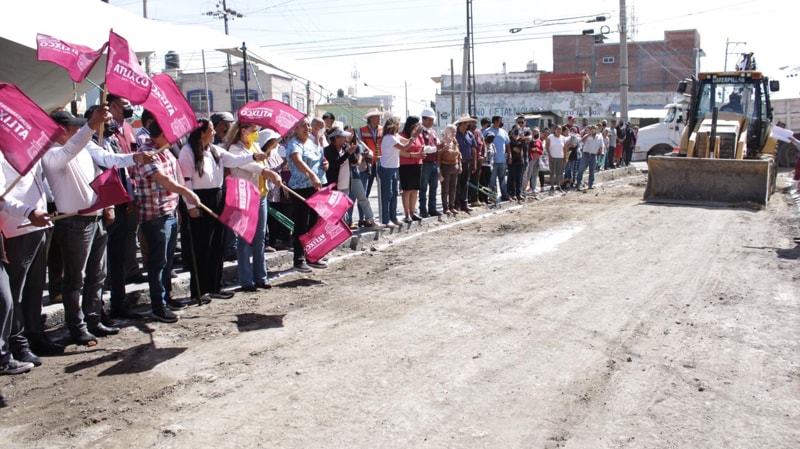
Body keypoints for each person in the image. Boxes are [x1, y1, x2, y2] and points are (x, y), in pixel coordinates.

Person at [42, 108, 153, 344]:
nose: (79, 131)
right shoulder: (51, 154)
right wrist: (90, 126)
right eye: (75, 127)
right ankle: (77, 326)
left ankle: (94, 319)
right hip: (73, 223)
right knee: (75, 279)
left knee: (97, 275)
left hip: (96, 218)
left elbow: (108, 158)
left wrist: (135, 158)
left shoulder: (85, 146)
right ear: (62, 130)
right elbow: (69, 151)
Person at [179, 118, 270, 299]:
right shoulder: (187, 152)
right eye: (211, 130)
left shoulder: (214, 150)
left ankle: (215, 286)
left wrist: (253, 156)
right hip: (198, 199)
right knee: (201, 246)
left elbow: (234, 159)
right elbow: (185, 181)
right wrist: (190, 205)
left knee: (217, 245)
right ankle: (199, 291)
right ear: (201, 132)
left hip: (217, 197)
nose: (214, 132)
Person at [134, 119, 201, 323]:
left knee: (167, 260)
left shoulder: (166, 150)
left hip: (170, 212)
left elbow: (176, 178)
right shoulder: (147, 154)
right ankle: (158, 305)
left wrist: (179, 205)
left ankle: (167, 297)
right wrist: (186, 193)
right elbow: (163, 180)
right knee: (157, 262)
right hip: (155, 214)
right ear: (161, 133)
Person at [0, 152, 58, 366]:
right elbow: (2, 197)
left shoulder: (27, 150)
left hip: (38, 224)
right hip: (17, 228)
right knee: (15, 292)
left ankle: (35, 335)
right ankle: (17, 342)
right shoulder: (3, 154)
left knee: (35, 288)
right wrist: (28, 211)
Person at [226, 121, 282, 292]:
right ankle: (246, 279)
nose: (256, 133)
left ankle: (261, 277)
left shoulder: (255, 146)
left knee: (260, 239)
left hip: (261, 195)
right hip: (244, 197)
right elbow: (254, 167)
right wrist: (269, 172)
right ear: (243, 131)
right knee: (244, 241)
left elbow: (263, 165)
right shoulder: (234, 149)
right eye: (253, 130)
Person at [286, 118, 329, 272]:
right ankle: (298, 258)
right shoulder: (294, 144)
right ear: (296, 128)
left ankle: (312, 255)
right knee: (301, 224)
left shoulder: (311, 142)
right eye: (303, 126)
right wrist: (311, 175)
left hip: (316, 186)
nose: (307, 128)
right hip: (301, 188)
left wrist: (325, 164)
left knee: (314, 223)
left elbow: (319, 159)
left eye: (309, 125)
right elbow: (297, 160)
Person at [379, 116, 420, 227]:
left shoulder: (395, 136)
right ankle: (386, 219)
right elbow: (404, 148)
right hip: (386, 168)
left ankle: (393, 217)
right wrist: (414, 136)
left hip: (393, 168)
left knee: (394, 194)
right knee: (387, 194)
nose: (400, 126)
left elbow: (406, 141)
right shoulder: (389, 138)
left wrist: (412, 137)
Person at [323, 127, 357, 226]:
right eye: (343, 137)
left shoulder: (346, 147)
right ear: (336, 138)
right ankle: (334, 228)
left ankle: (342, 228)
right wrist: (347, 153)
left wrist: (351, 152)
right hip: (334, 184)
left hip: (345, 183)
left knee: (342, 207)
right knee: (333, 208)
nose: (345, 139)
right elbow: (334, 164)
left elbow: (354, 161)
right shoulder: (328, 150)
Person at [398, 116, 425, 223]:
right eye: (417, 124)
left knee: (415, 189)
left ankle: (413, 213)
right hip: (405, 165)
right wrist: (415, 155)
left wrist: (422, 153)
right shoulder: (402, 135)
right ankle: (407, 214)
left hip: (417, 164)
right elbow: (401, 151)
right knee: (407, 190)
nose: (419, 126)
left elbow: (421, 147)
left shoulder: (419, 136)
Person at [418, 108, 441, 218]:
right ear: (423, 119)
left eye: (432, 120)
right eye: (429, 120)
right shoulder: (420, 132)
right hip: (425, 163)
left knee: (434, 187)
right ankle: (423, 209)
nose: (431, 122)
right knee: (423, 188)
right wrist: (436, 148)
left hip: (434, 162)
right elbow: (423, 148)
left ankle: (432, 208)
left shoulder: (433, 132)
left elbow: (437, 145)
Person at [453, 114, 478, 212]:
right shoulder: (455, 134)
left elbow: (473, 149)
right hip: (457, 162)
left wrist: (474, 163)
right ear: (461, 124)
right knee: (457, 184)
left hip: (467, 161)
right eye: (465, 123)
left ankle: (464, 203)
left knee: (465, 183)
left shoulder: (470, 135)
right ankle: (457, 204)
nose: (467, 124)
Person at [438, 124, 462, 215]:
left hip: (454, 166)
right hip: (445, 166)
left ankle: (452, 206)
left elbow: (459, 154)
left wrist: (460, 165)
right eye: (452, 131)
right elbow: (439, 156)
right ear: (447, 131)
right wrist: (439, 170)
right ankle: (445, 207)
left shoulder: (455, 142)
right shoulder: (442, 142)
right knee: (445, 188)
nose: (454, 133)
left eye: (455, 131)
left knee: (453, 188)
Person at [485, 115, 510, 202]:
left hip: (502, 160)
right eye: (500, 120)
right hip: (492, 161)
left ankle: (505, 195)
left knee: (502, 179)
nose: (501, 122)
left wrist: (509, 156)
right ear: (495, 121)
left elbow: (507, 144)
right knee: (492, 180)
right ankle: (493, 196)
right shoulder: (487, 131)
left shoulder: (503, 132)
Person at [575, 125, 603, 190]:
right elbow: (582, 141)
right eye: (592, 129)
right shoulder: (587, 136)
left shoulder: (599, 137)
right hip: (586, 154)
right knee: (581, 169)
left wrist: (601, 152)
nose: (593, 130)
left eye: (594, 129)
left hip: (593, 155)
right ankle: (578, 184)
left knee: (592, 170)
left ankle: (590, 184)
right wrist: (588, 134)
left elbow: (601, 145)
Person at [546, 125, 566, 193]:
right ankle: (552, 186)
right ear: (555, 130)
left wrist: (565, 157)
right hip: (553, 156)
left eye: (560, 129)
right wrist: (549, 155)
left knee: (559, 172)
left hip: (560, 156)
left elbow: (564, 148)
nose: (559, 131)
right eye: (557, 129)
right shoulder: (550, 137)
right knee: (552, 172)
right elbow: (547, 147)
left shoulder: (563, 138)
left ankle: (558, 185)